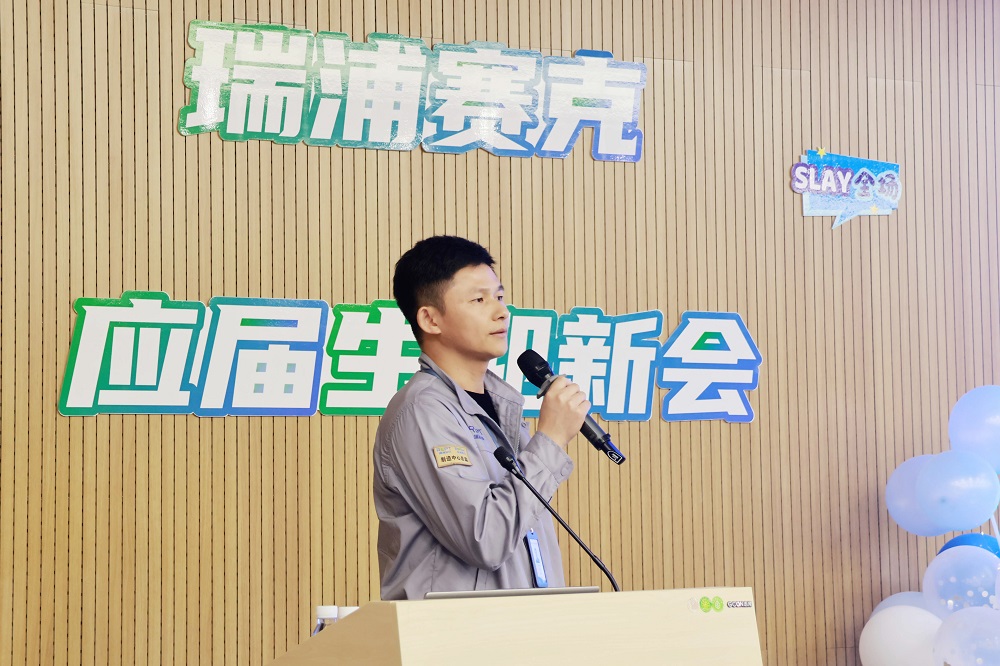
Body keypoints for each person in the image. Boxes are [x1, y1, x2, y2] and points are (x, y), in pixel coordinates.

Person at [373, 235, 590, 600]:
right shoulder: (422, 412)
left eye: (499, 296)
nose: (501, 312)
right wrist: (551, 439)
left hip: (523, 626)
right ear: (430, 319)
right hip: (458, 631)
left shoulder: (502, 405)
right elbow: (486, 539)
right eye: (479, 299)